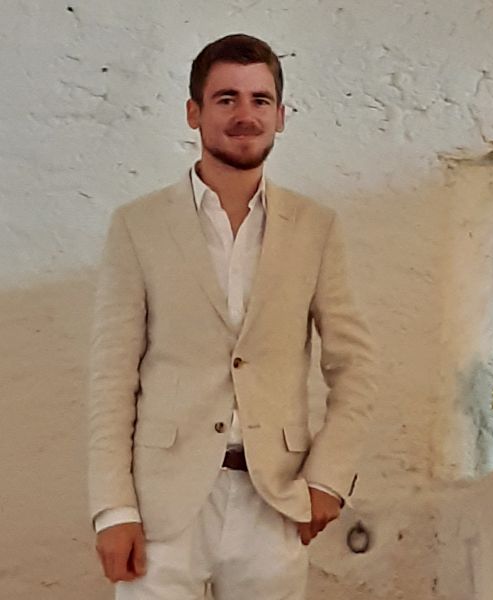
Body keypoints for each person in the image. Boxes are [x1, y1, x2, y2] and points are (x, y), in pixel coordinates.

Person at [88, 33, 377, 600]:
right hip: (162, 502)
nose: (245, 115)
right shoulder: (138, 225)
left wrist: (329, 478)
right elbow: (111, 376)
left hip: (276, 500)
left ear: (281, 116)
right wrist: (113, 508)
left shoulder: (315, 227)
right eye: (226, 99)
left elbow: (355, 364)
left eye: (260, 99)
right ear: (194, 112)